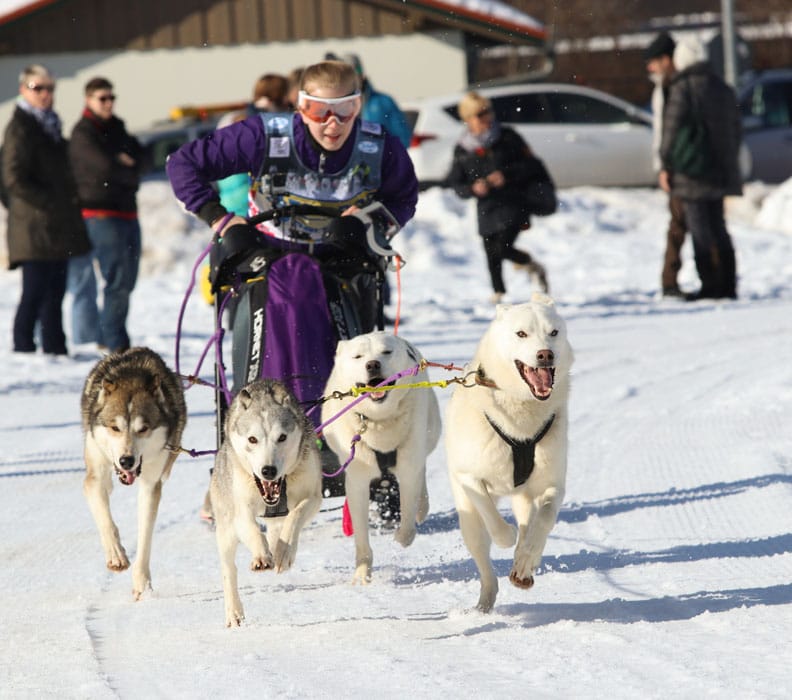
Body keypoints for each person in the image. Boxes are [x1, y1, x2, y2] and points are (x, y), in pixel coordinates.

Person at [166, 59, 418, 508]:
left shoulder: (379, 147)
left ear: (359, 106)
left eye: (344, 111)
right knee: (264, 350)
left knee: (362, 361)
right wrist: (223, 221)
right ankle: (248, 458)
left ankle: (366, 458)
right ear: (301, 106)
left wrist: (368, 223)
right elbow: (183, 164)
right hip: (268, 258)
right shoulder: (265, 134)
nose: (333, 124)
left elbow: (403, 197)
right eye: (321, 111)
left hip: (341, 265)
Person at [2, 64, 90, 355]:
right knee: (35, 292)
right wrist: (49, 203)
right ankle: (23, 348)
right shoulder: (20, 128)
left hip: (55, 226)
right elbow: (13, 177)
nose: (44, 94)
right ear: (23, 90)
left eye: (49, 88)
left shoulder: (49, 124)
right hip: (33, 227)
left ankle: (55, 348)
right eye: (37, 88)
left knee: (55, 292)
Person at [444, 91, 549, 303]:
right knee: (490, 250)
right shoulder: (463, 148)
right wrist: (474, 188)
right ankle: (499, 292)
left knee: (503, 247)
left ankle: (530, 263)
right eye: (480, 114)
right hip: (487, 205)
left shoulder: (508, 136)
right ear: (468, 118)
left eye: (488, 111)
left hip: (514, 200)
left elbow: (532, 165)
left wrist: (506, 175)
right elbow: (456, 182)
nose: (486, 117)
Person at [659, 36, 741, 301]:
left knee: (701, 231)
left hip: (691, 171)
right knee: (719, 226)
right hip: (721, 170)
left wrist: (666, 164)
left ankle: (710, 286)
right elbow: (736, 131)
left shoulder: (683, 88)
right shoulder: (723, 88)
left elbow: (670, 131)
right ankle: (728, 285)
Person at [67, 76, 143, 353]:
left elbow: (142, 156)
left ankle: (109, 334)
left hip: (127, 212)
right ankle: (114, 341)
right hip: (101, 214)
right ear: (89, 100)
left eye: (112, 97)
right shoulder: (83, 133)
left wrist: (127, 166)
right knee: (117, 278)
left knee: (128, 278)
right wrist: (125, 166)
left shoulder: (118, 127)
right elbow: (103, 169)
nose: (109, 103)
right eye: (103, 98)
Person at [645, 32, 688, 299]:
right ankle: (669, 282)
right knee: (679, 225)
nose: (649, 68)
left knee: (680, 225)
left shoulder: (675, 85)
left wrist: (664, 165)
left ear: (666, 59)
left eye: (652, 61)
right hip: (674, 166)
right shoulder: (664, 86)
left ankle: (670, 282)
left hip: (680, 166)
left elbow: (668, 132)